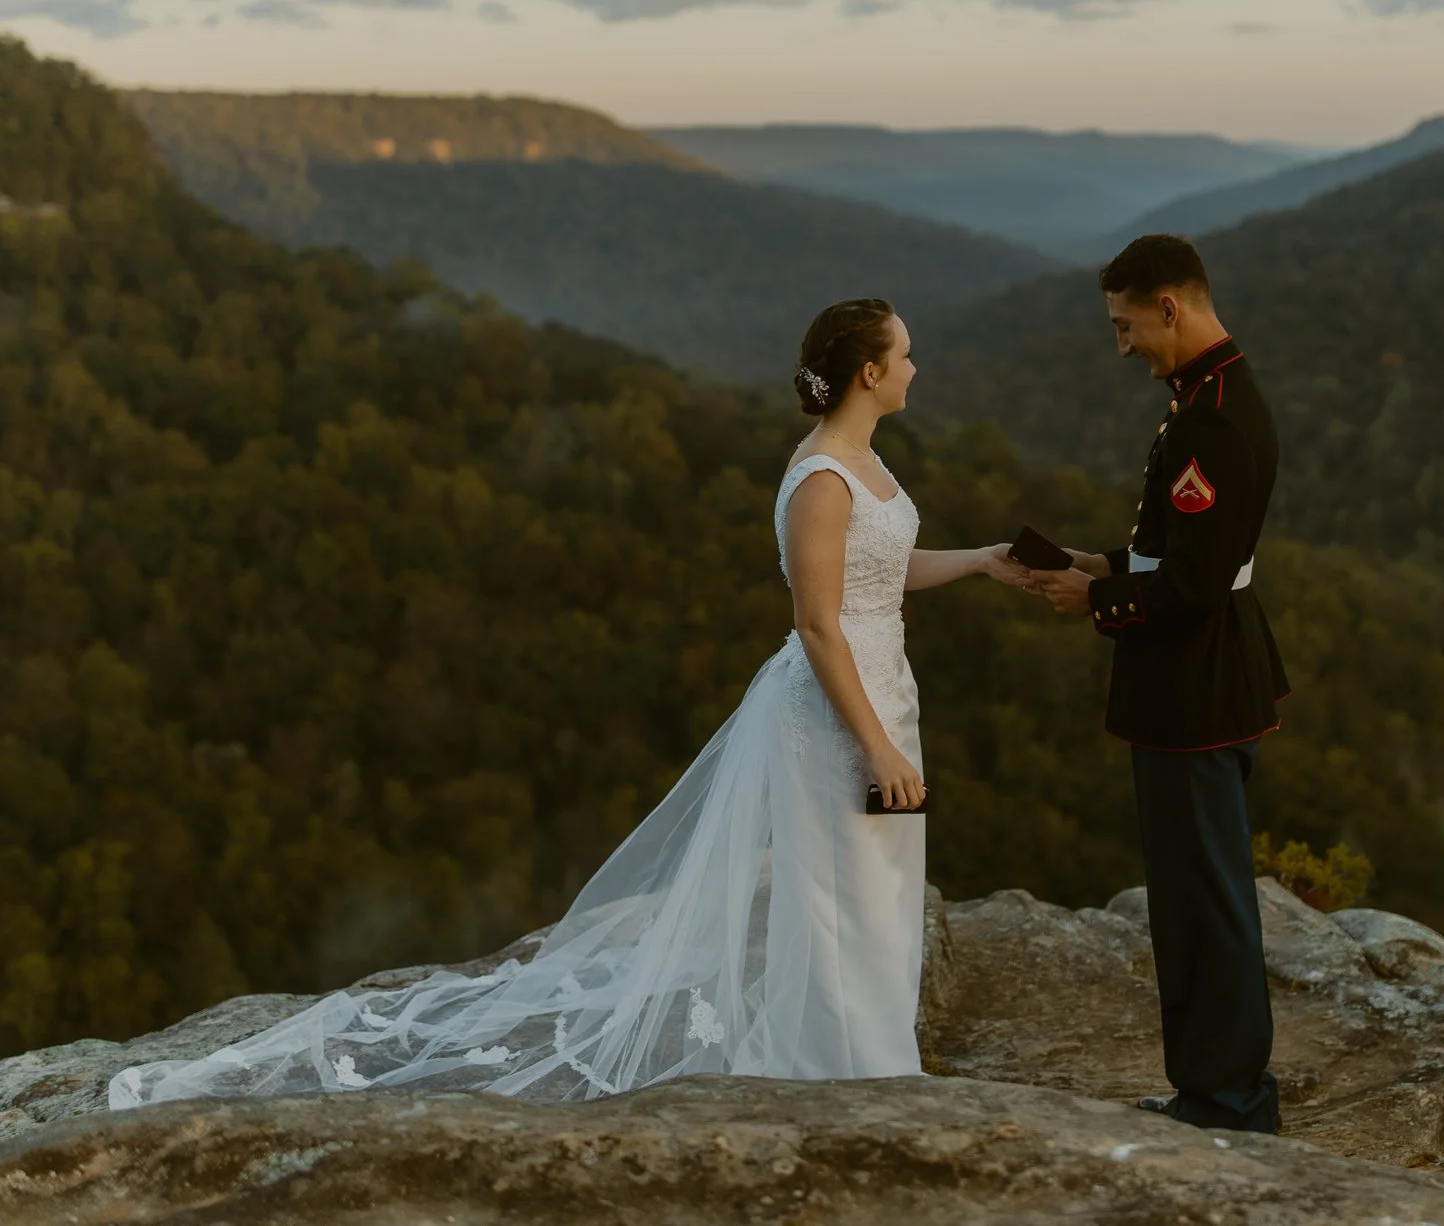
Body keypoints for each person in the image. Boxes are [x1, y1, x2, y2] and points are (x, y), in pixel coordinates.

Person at [108, 297, 1030, 1110]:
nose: (915, 368)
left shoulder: (863, 462)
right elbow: (823, 625)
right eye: (905, 355)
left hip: (883, 695)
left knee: (883, 891)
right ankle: (845, 1074)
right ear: (869, 372)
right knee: (839, 898)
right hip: (836, 712)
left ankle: (877, 1063)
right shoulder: (823, 477)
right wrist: (874, 743)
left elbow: (884, 573)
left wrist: (985, 560)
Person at [1027, 234, 1289, 1135]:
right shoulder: (1202, 400)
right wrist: (1093, 561)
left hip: (1198, 691)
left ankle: (1233, 1103)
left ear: (1169, 307)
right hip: (1193, 684)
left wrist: (1096, 599)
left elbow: (1193, 588)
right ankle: (1208, 1088)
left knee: (1209, 900)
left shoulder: (1216, 417)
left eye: (1126, 323)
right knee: (1189, 898)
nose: (1122, 343)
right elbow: (1173, 553)